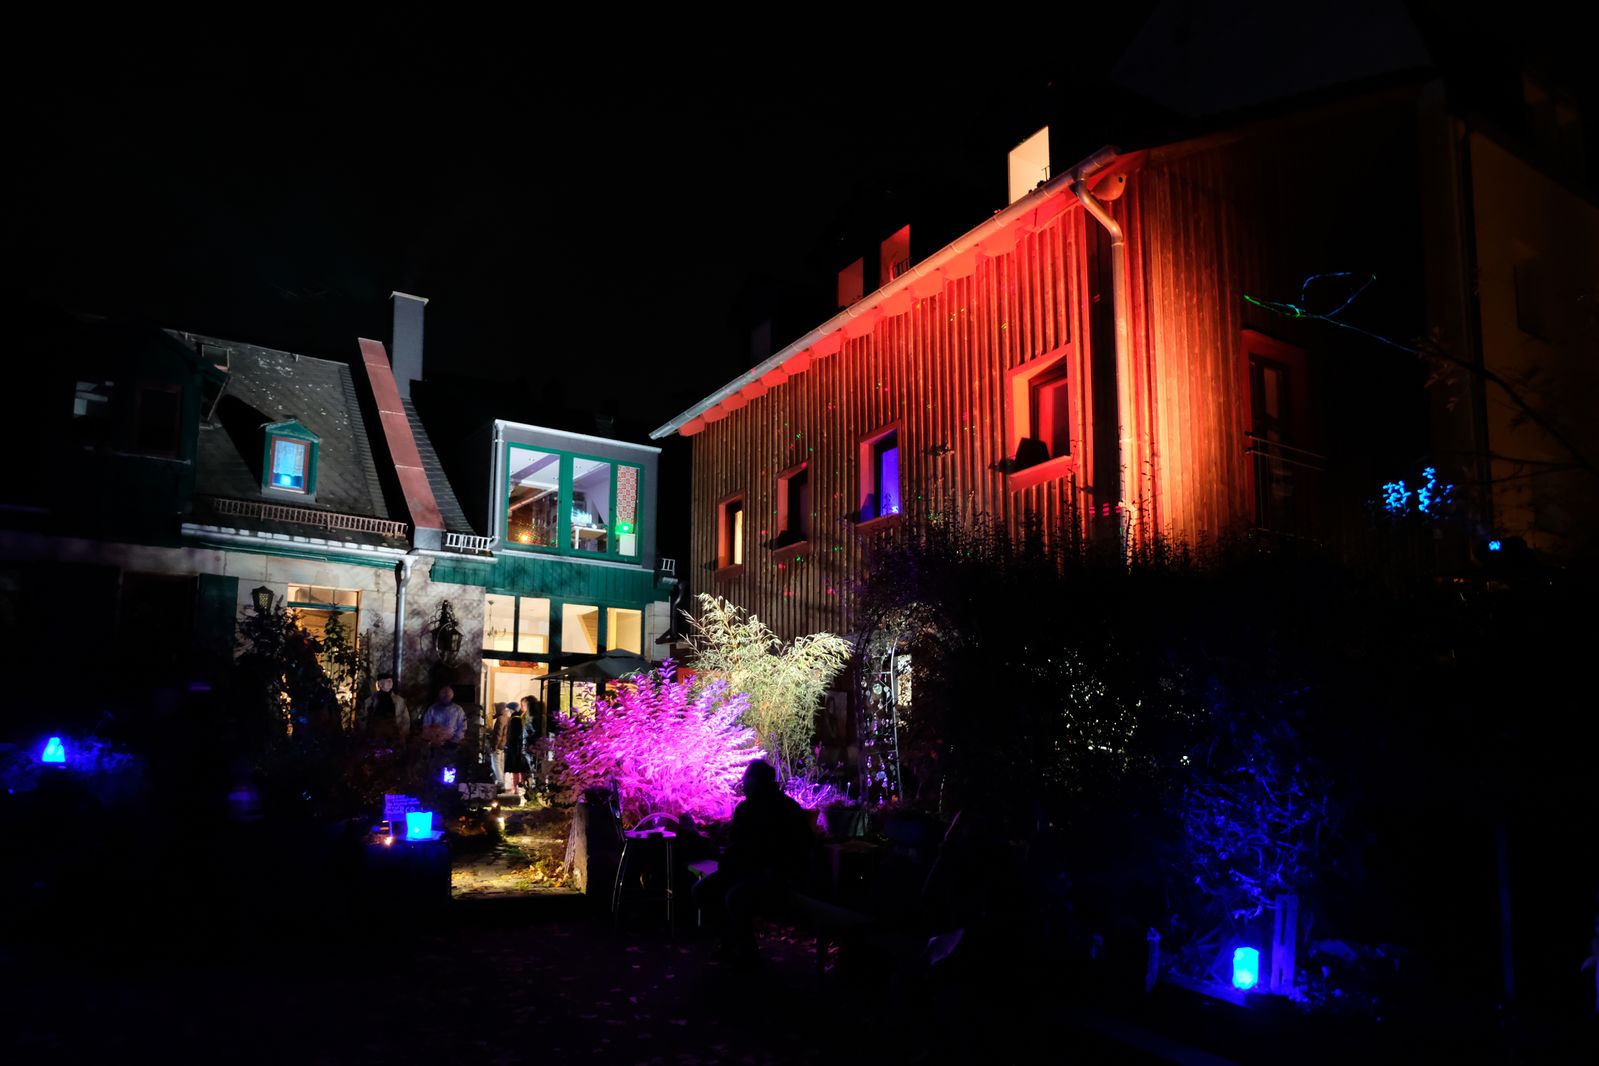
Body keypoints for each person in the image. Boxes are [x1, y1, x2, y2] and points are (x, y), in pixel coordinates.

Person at [692, 759, 815, 966]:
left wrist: (724, 861)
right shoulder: (786, 807)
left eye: (746, 780)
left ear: (756, 782)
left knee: (723, 894)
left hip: (774, 877)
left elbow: (740, 850)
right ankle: (734, 944)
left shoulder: (753, 809)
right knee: (713, 891)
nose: (743, 784)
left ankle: (742, 949)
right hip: (766, 874)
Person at [359, 673, 410, 739]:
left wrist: (402, 733)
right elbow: (362, 717)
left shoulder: (399, 701)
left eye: (391, 681)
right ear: (380, 684)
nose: (390, 683)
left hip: (394, 736)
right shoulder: (370, 701)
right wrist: (366, 731)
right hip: (375, 736)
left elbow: (406, 719)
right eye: (388, 681)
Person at [505, 698, 533, 795]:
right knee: (519, 768)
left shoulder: (519, 718)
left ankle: (522, 787)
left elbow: (514, 734)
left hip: (520, 746)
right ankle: (519, 787)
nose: (522, 707)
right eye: (521, 705)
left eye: (523, 705)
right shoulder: (520, 717)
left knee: (520, 768)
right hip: (519, 746)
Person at [489, 703, 512, 787]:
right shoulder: (508, 718)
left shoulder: (500, 719)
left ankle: (501, 782)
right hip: (504, 745)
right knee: (501, 764)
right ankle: (503, 782)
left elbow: (498, 734)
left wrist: (494, 746)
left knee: (495, 764)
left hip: (499, 745)